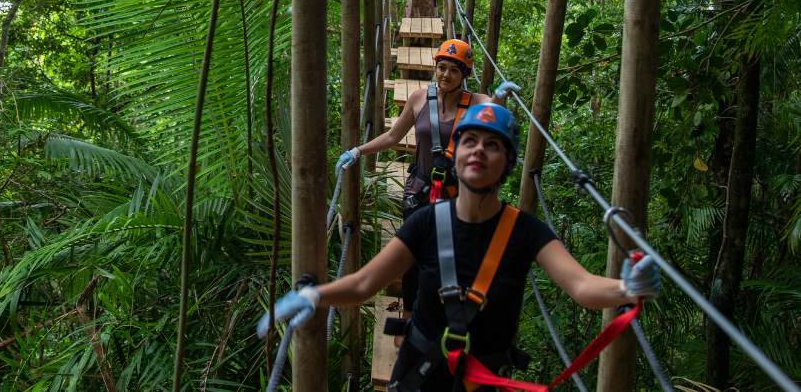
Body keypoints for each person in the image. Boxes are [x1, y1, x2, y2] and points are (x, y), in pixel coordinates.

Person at [258, 103, 662, 391]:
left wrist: (626, 288)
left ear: (508, 162)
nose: (479, 150)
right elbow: (366, 283)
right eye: (470, 140)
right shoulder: (425, 223)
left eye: (493, 145)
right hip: (417, 372)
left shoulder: (527, 232)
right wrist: (315, 295)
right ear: (455, 155)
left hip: (483, 378)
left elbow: (582, 286)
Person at [334, 39, 519, 346]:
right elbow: (393, 136)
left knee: (450, 262)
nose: (446, 75)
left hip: (457, 197)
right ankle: (408, 321)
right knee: (413, 260)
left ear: (465, 75)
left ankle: (440, 325)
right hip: (419, 191)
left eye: (454, 71)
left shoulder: (476, 103)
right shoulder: (419, 98)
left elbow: (494, 110)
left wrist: (500, 96)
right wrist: (357, 151)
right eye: (442, 68)